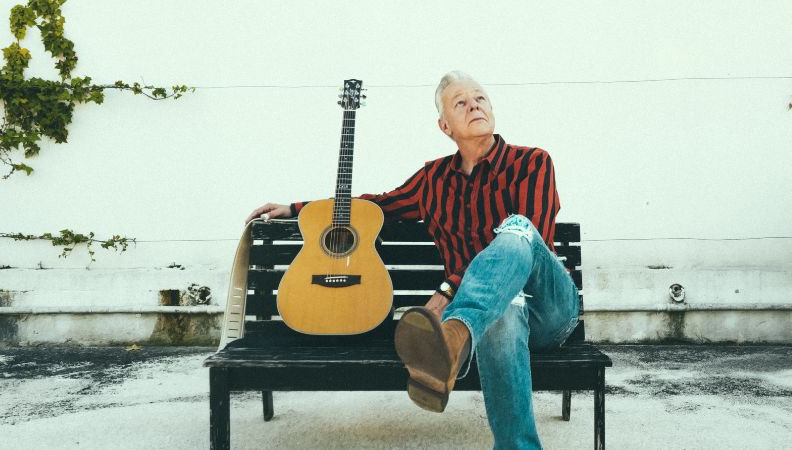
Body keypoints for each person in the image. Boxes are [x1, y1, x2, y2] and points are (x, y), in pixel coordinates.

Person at [245, 71, 579, 450]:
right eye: (460, 103)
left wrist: (451, 287)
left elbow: (530, 240)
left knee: (516, 227)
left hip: (548, 306)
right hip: (497, 317)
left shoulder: (532, 162)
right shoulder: (432, 179)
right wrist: (296, 208)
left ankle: (452, 340)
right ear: (444, 126)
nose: (474, 105)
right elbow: (377, 205)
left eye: (480, 98)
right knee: (502, 312)